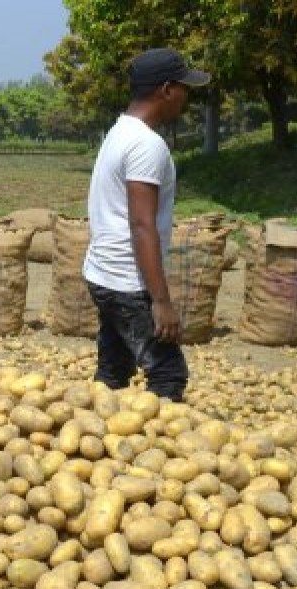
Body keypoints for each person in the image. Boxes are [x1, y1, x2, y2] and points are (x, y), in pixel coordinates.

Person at [83, 47, 209, 401]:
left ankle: (98, 434)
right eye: (184, 87)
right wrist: (161, 301)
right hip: (127, 281)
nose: (187, 96)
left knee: (114, 368)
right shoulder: (146, 145)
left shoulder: (119, 131)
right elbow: (142, 225)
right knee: (168, 374)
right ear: (166, 89)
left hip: (103, 273)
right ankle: (157, 449)